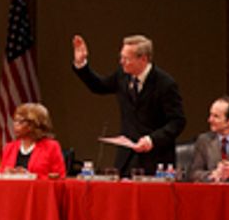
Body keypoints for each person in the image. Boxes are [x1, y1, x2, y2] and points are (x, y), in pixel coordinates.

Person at [72, 33, 185, 176]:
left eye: (126, 58)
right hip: (126, 159)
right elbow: (99, 86)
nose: (121, 62)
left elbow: (177, 121)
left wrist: (152, 139)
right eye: (121, 57)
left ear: (143, 59)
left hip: (155, 160)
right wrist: (81, 64)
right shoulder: (122, 76)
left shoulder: (165, 84)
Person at [0, 102, 66, 177]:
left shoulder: (51, 147)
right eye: (15, 120)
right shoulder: (9, 148)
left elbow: (59, 178)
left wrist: (30, 176)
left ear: (34, 124)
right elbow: (1, 175)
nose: (15, 125)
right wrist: (6, 174)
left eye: (20, 121)